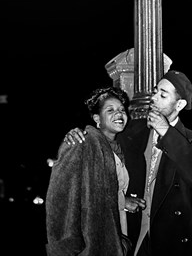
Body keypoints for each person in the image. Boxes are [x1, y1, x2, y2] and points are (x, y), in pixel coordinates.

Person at [64, 70, 192, 256]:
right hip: (133, 234)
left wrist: (166, 132)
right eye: (155, 91)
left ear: (180, 104)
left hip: (172, 241)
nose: (154, 98)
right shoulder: (132, 130)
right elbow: (101, 149)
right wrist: (80, 136)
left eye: (163, 95)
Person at [46, 86, 145, 256]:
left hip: (116, 237)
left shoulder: (122, 147)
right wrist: (66, 248)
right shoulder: (81, 143)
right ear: (97, 119)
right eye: (110, 110)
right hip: (89, 244)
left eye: (122, 110)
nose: (119, 114)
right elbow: (60, 197)